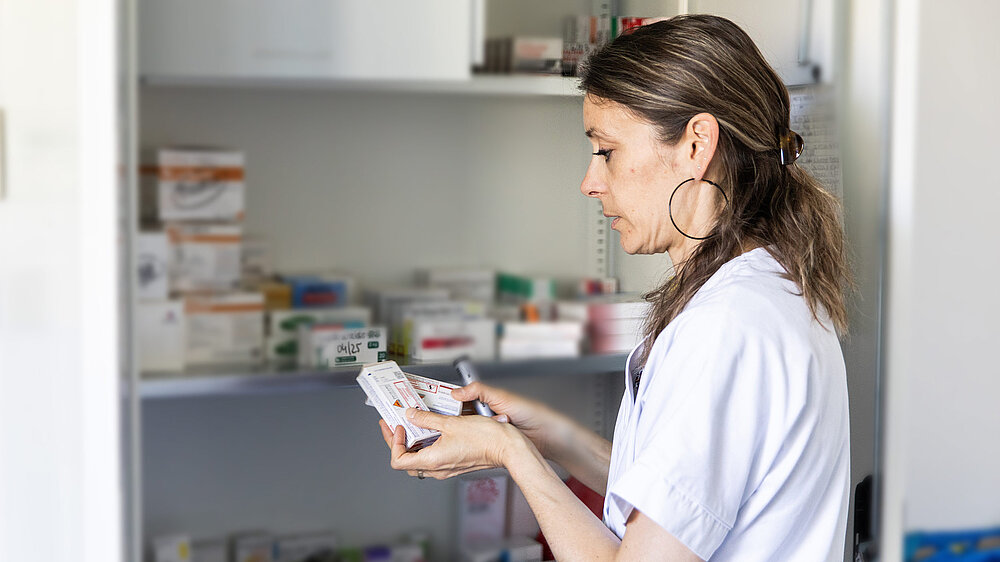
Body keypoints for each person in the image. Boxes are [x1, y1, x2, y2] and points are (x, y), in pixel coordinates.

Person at [379, 14, 852, 561]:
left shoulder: (726, 328)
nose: (590, 181)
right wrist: (544, 436)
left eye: (607, 150)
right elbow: (682, 503)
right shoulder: (763, 289)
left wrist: (511, 453)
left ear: (696, 145)